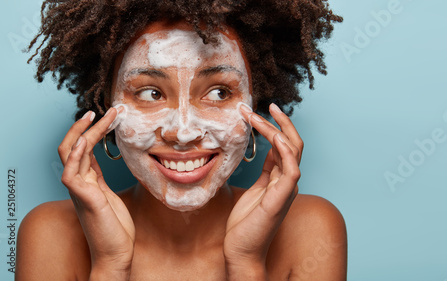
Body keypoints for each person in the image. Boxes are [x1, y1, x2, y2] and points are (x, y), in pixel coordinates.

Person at [16, 0, 346, 280]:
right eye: (151, 93)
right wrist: (110, 266)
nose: (184, 132)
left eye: (219, 92)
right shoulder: (50, 234)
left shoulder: (310, 229)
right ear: (105, 108)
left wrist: (246, 264)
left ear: (256, 103)